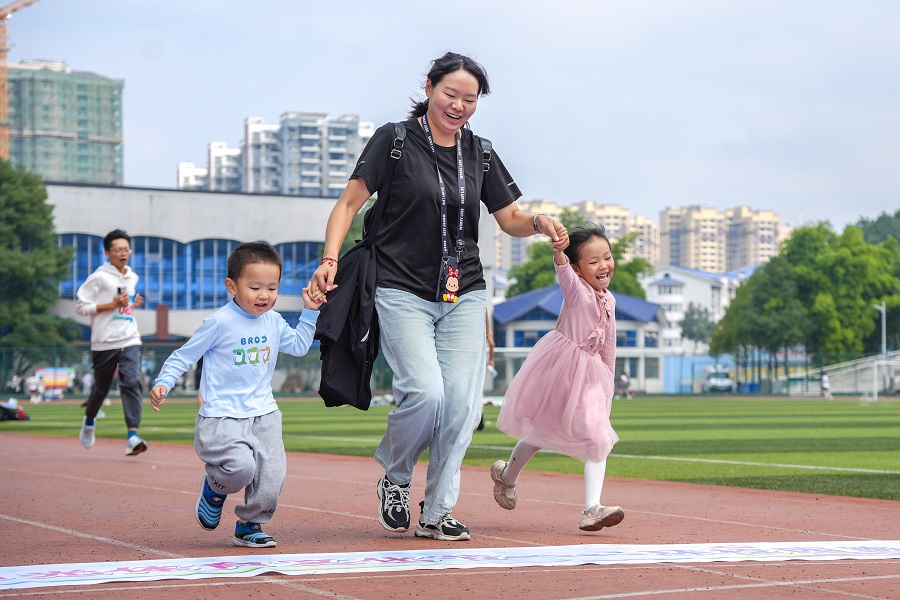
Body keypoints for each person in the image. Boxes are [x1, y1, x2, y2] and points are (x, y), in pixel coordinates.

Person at [310, 52, 568, 542]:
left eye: (470, 99)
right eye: (451, 94)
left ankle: (437, 511)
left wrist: (537, 222)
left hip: (463, 290)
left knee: (463, 406)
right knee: (427, 393)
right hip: (399, 286)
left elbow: (509, 218)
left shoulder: (480, 153)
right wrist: (329, 259)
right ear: (429, 87)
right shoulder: (394, 140)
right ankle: (396, 476)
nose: (459, 106)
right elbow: (348, 204)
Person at [149, 241, 322, 549]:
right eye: (255, 287)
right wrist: (164, 381)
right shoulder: (219, 322)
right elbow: (184, 355)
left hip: (264, 414)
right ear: (232, 286)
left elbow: (298, 346)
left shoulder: (274, 320)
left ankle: (249, 525)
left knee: (272, 477)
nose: (264, 295)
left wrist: (309, 312)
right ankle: (215, 489)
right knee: (241, 469)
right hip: (222, 416)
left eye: (272, 288)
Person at [491, 224, 625, 532]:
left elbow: (609, 343)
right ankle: (507, 477)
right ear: (578, 268)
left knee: (598, 437)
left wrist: (608, 381)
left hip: (591, 375)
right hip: (561, 371)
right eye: (593, 261)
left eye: (607, 257)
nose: (603, 265)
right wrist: (559, 252)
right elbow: (563, 272)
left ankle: (592, 509)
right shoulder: (576, 291)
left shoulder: (610, 300)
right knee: (540, 433)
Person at [76, 229, 147, 455]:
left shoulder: (132, 276)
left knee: (132, 382)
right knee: (101, 389)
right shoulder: (98, 277)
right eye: (118, 250)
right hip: (104, 342)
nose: (123, 253)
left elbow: (124, 307)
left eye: (126, 249)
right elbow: (81, 307)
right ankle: (89, 421)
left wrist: (133, 303)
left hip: (130, 337)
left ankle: (132, 437)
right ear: (107, 253)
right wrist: (111, 304)